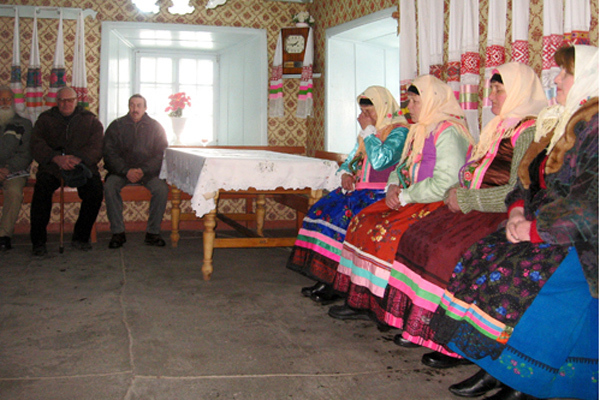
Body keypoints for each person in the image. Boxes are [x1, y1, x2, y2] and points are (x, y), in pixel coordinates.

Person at [429, 45, 598, 400]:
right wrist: (518, 211)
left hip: (583, 240)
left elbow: (589, 207)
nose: (557, 80)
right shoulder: (559, 121)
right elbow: (525, 177)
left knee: (514, 275)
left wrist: (534, 229)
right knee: (482, 255)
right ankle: (494, 366)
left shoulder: (595, 129)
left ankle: (522, 377)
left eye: (566, 73)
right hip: (547, 227)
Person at [380, 63, 548, 370]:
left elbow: (518, 190)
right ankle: (417, 324)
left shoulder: (528, 132)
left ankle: (450, 342)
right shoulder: (500, 126)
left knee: (448, 251)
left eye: (499, 90)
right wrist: (457, 190)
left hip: (496, 212)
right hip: (472, 205)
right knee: (418, 236)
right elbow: (472, 171)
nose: (491, 97)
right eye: (491, 89)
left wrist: (466, 197)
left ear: (518, 93)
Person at [328, 75, 474, 321]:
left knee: (385, 234)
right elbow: (402, 165)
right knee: (362, 222)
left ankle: (387, 306)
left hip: (436, 203)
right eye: (409, 101)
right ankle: (363, 299)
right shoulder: (421, 129)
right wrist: (393, 186)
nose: (409, 108)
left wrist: (405, 195)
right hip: (411, 198)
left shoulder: (449, 131)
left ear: (432, 101)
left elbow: (445, 183)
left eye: (415, 102)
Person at [287, 86, 409, 303]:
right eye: (362, 112)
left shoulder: (399, 132)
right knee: (321, 211)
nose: (364, 117)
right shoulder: (367, 133)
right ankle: (325, 275)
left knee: (343, 221)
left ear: (383, 109)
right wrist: (345, 173)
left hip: (378, 193)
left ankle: (338, 283)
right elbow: (352, 158)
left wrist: (369, 130)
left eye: (369, 112)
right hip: (358, 190)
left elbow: (381, 160)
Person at [30, 87, 104, 256]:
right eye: (62, 100)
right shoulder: (45, 119)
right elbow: (36, 144)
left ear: (76, 101)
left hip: (82, 166)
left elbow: (97, 146)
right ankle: (38, 242)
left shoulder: (90, 120)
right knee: (41, 191)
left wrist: (79, 159)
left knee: (95, 191)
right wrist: (56, 158)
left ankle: (81, 237)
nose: (66, 104)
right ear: (57, 102)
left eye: (70, 100)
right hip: (53, 167)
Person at [103, 94, 169, 249]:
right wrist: (126, 171)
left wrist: (143, 170)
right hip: (121, 172)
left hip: (147, 172)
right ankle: (118, 233)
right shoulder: (116, 126)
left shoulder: (155, 127)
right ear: (128, 107)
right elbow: (109, 153)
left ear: (145, 108)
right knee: (110, 186)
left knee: (161, 189)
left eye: (139, 105)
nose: (135, 109)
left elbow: (161, 154)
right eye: (132, 105)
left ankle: (153, 233)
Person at [0, 86, 33, 251]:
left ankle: (3, 235)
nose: (5, 103)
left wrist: (8, 168)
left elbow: (26, 154)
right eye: (1, 99)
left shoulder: (24, 124)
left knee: (13, 192)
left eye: (8, 99)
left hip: (13, 172)